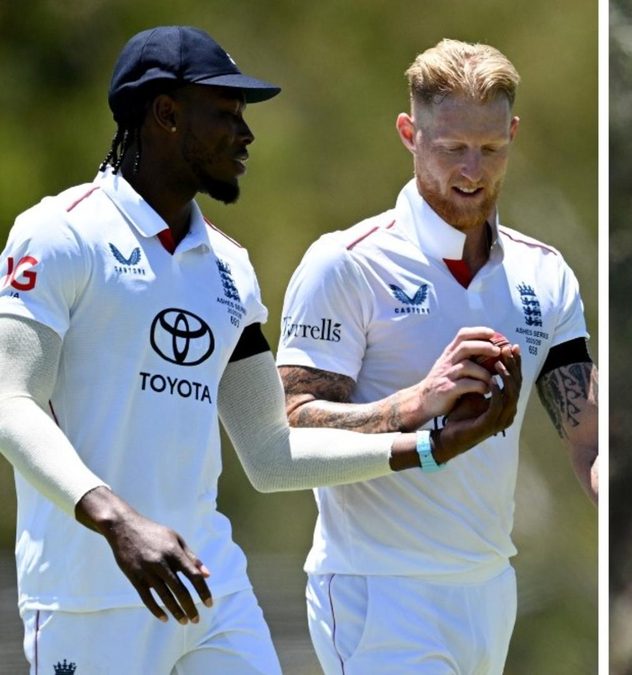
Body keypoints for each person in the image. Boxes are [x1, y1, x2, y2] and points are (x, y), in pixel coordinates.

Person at [0, 26, 519, 674]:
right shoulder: (59, 233)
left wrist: (428, 445)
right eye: (224, 115)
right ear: (165, 114)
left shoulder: (228, 267)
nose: (245, 135)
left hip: (209, 588)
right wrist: (117, 520)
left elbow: (271, 452)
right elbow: (11, 401)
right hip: (87, 597)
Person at [275, 38, 599, 674]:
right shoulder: (346, 264)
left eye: (491, 148)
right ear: (409, 133)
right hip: (379, 589)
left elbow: (588, 440)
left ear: (512, 132)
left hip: (488, 588)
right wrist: (413, 405)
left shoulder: (545, 273)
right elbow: (288, 424)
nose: (473, 171)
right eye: (452, 148)